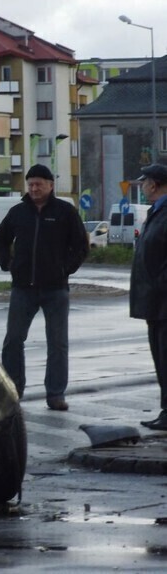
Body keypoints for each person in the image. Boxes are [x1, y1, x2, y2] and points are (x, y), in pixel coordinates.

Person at [0, 164, 88, 410]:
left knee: (57, 343)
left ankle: (55, 394)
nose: (34, 188)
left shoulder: (65, 212)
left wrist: (65, 269)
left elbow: (80, 245)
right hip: (23, 288)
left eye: (39, 184)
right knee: (13, 340)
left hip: (56, 289)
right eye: (31, 184)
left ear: (50, 185)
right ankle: (14, 391)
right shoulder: (18, 212)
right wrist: (8, 263)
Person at [129, 163, 167, 431]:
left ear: (153, 184)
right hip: (155, 303)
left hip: (164, 301)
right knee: (161, 359)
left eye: (144, 183)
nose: (142, 187)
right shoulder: (156, 212)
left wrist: (157, 285)